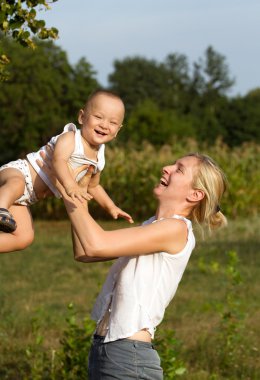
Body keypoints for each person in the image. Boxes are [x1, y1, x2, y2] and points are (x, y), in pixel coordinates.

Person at [38, 150, 227, 379]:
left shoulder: (176, 229)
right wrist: (75, 188)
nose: (166, 168)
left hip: (128, 358)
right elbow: (84, 252)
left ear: (196, 194)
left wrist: (68, 187)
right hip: (106, 350)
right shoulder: (152, 225)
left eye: (179, 169)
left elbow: (95, 245)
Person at [0, 90, 133, 253]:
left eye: (113, 122)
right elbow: (59, 161)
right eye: (98, 117)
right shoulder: (71, 138)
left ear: (118, 130)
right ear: (82, 117)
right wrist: (70, 185)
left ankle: (3, 210)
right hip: (19, 172)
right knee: (16, 184)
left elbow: (93, 186)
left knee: (24, 238)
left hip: (24, 198)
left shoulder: (99, 158)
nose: (104, 125)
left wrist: (111, 207)